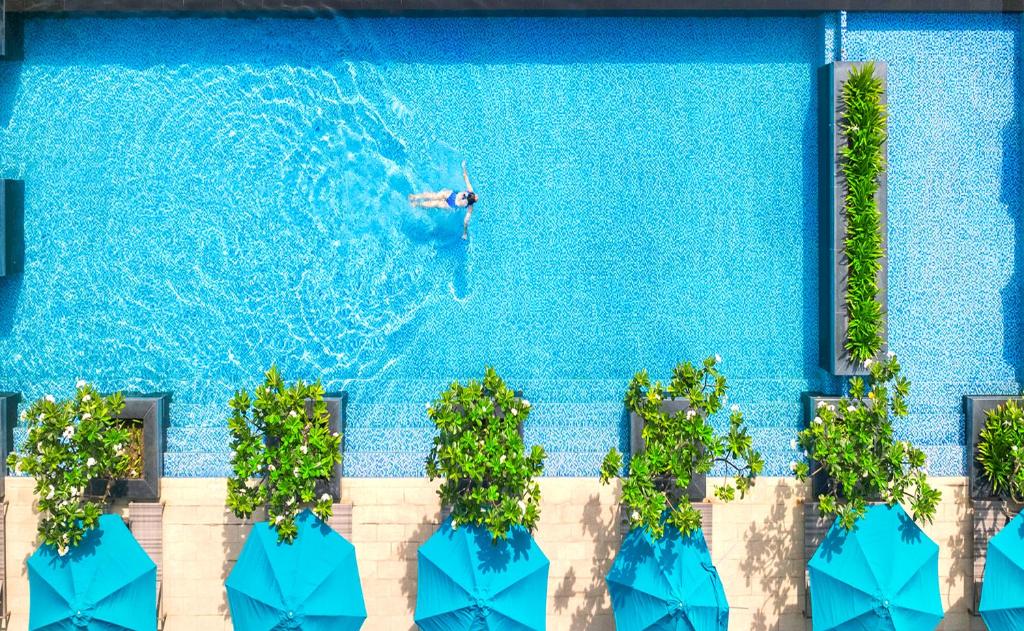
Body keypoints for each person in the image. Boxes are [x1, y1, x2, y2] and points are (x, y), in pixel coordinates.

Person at [409, 160, 478, 240]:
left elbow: (465, 177)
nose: (477, 195)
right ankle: (416, 204)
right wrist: (465, 233)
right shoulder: (470, 206)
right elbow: (466, 221)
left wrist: (463, 167)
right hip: (451, 204)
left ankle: (414, 197)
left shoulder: (470, 191)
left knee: (434, 196)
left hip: (451, 195)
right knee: (434, 203)